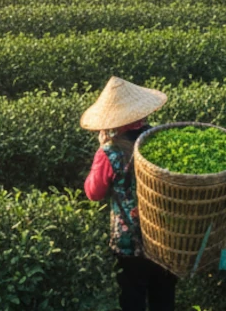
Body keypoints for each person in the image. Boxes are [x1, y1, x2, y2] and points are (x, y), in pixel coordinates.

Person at [82, 76, 176, 311]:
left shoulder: (111, 152)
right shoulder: (162, 140)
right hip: (166, 234)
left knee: (132, 297)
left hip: (129, 241)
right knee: (163, 296)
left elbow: (94, 192)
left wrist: (101, 149)